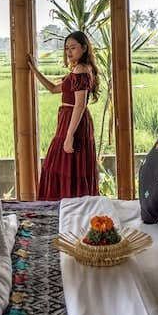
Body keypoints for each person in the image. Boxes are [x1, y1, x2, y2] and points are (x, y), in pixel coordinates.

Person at [26, 31, 101, 201]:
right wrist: (35, 70)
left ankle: (65, 206)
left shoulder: (81, 69)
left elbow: (80, 105)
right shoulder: (78, 69)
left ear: (84, 48)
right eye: (67, 48)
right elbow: (53, 89)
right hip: (69, 120)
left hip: (74, 122)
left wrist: (69, 136)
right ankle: (71, 206)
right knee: (68, 166)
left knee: (62, 165)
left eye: (73, 48)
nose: (69, 52)